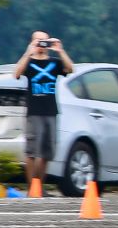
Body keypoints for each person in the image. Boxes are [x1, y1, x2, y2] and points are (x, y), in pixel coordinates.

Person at [13, 30, 74, 191]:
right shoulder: (29, 62)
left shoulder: (54, 63)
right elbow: (17, 74)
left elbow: (70, 69)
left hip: (51, 111)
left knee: (47, 152)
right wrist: (28, 52)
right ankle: (32, 188)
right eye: (38, 41)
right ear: (32, 42)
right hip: (34, 111)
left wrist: (60, 50)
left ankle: (39, 186)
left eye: (45, 41)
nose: (42, 44)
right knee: (32, 151)